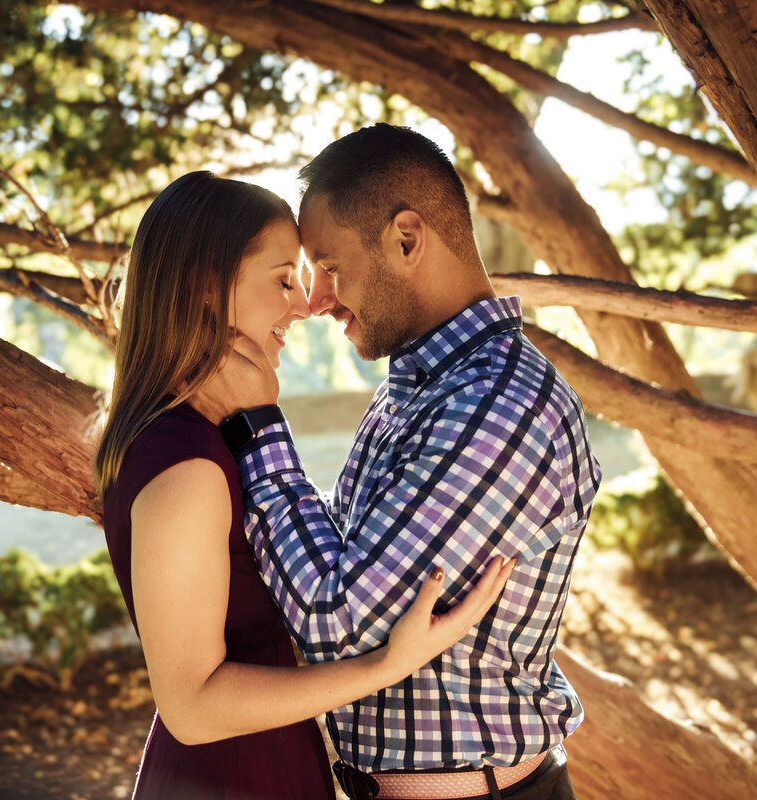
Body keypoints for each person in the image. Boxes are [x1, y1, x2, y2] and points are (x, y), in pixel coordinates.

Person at [194, 125, 602, 800]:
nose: (315, 301)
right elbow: (345, 551)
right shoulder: (416, 389)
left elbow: (336, 620)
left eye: (328, 268)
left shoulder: (496, 406)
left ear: (407, 240)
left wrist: (261, 429)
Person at [93, 170, 519, 800]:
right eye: (283, 280)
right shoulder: (189, 468)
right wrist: (387, 664)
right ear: (204, 287)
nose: (303, 304)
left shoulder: (205, 438)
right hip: (233, 779)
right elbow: (192, 706)